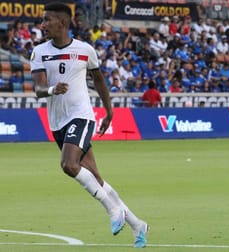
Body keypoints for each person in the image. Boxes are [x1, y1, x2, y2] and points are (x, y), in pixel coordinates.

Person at [30, 2, 147, 248]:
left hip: (81, 115)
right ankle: (137, 224)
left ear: (62, 22)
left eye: (47, 20)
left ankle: (113, 211)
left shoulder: (85, 50)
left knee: (68, 165)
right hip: (57, 122)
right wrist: (52, 89)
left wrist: (109, 110)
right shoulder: (39, 52)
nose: (43, 25)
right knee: (94, 176)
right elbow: (39, 89)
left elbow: (100, 80)